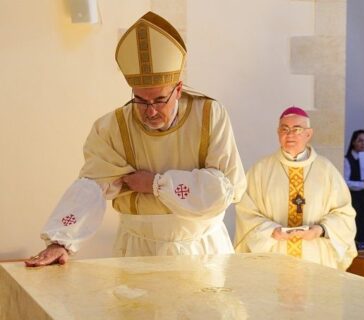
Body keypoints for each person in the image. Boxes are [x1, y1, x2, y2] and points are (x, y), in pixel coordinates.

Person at [25, 12, 246, 267]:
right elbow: (92, 185)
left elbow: (223, 189)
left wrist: (156, 184)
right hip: (138, 248)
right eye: (140, 100)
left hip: (201, 249)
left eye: (159, 100)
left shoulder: (209, 115)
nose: (150, 111)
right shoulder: (112, 127)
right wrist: (60, 242)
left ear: (178, 89)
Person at [234, 106, 357, 270]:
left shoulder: (326, 170)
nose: (290, 134)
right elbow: (246, 212)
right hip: (273, 258)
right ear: (278, 133)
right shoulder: (260, 170)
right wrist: (271, 231)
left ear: (308, 134)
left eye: (297, 129)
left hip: (315, 259)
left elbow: (345, 214)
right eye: (284, 129)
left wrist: (321, 229)